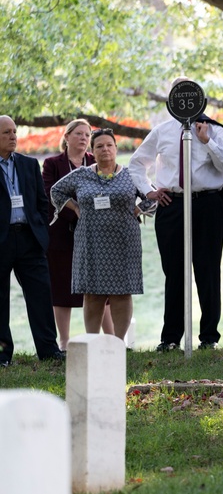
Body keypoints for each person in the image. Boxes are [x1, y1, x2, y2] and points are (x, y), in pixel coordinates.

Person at [128, 79, 223, 351]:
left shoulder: (214, 130)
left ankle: (209, 337)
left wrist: (207, 140)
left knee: (207, 271)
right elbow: (136, 164)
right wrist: (149, 191)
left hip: (207, 204)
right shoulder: (162, 131)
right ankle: (171, 338)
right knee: (174, 272)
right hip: (171, 205)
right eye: (178, 94)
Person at [50, 129, 143, 341]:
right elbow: (56, 191)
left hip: (123, 242)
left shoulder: (131, 175)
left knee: (122, 291)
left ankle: (119, 342)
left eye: (109, 145)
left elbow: (153, 194)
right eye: (99, 146)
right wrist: (73, 207)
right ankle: (92, 341)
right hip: (90, 242)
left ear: (116, 148)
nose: (105, 149)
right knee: (92, 293)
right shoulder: (82, 174)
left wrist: (139, 209)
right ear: (92, 151)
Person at [0, 115, 64, 366]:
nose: (13, 136)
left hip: (29, 239)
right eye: (6, 133)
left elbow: (42, 201)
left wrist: (41, 231)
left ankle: (49, 350)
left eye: (14, 131)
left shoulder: (28, 164)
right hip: (2, 241)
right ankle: (3, 355)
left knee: (40, 295)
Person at [43, 119, 112, 349]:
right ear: (67, 137)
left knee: (99, 286)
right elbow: (49, 194)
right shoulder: (53, 164)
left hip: (96, 234)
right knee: (62, 287)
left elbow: (108, 190)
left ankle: (111, 339)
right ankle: (64, 341)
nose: (83, 137)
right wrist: (76, 212)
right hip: (62, 233)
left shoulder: (96, 161)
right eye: (79, 133)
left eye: (87, 134)